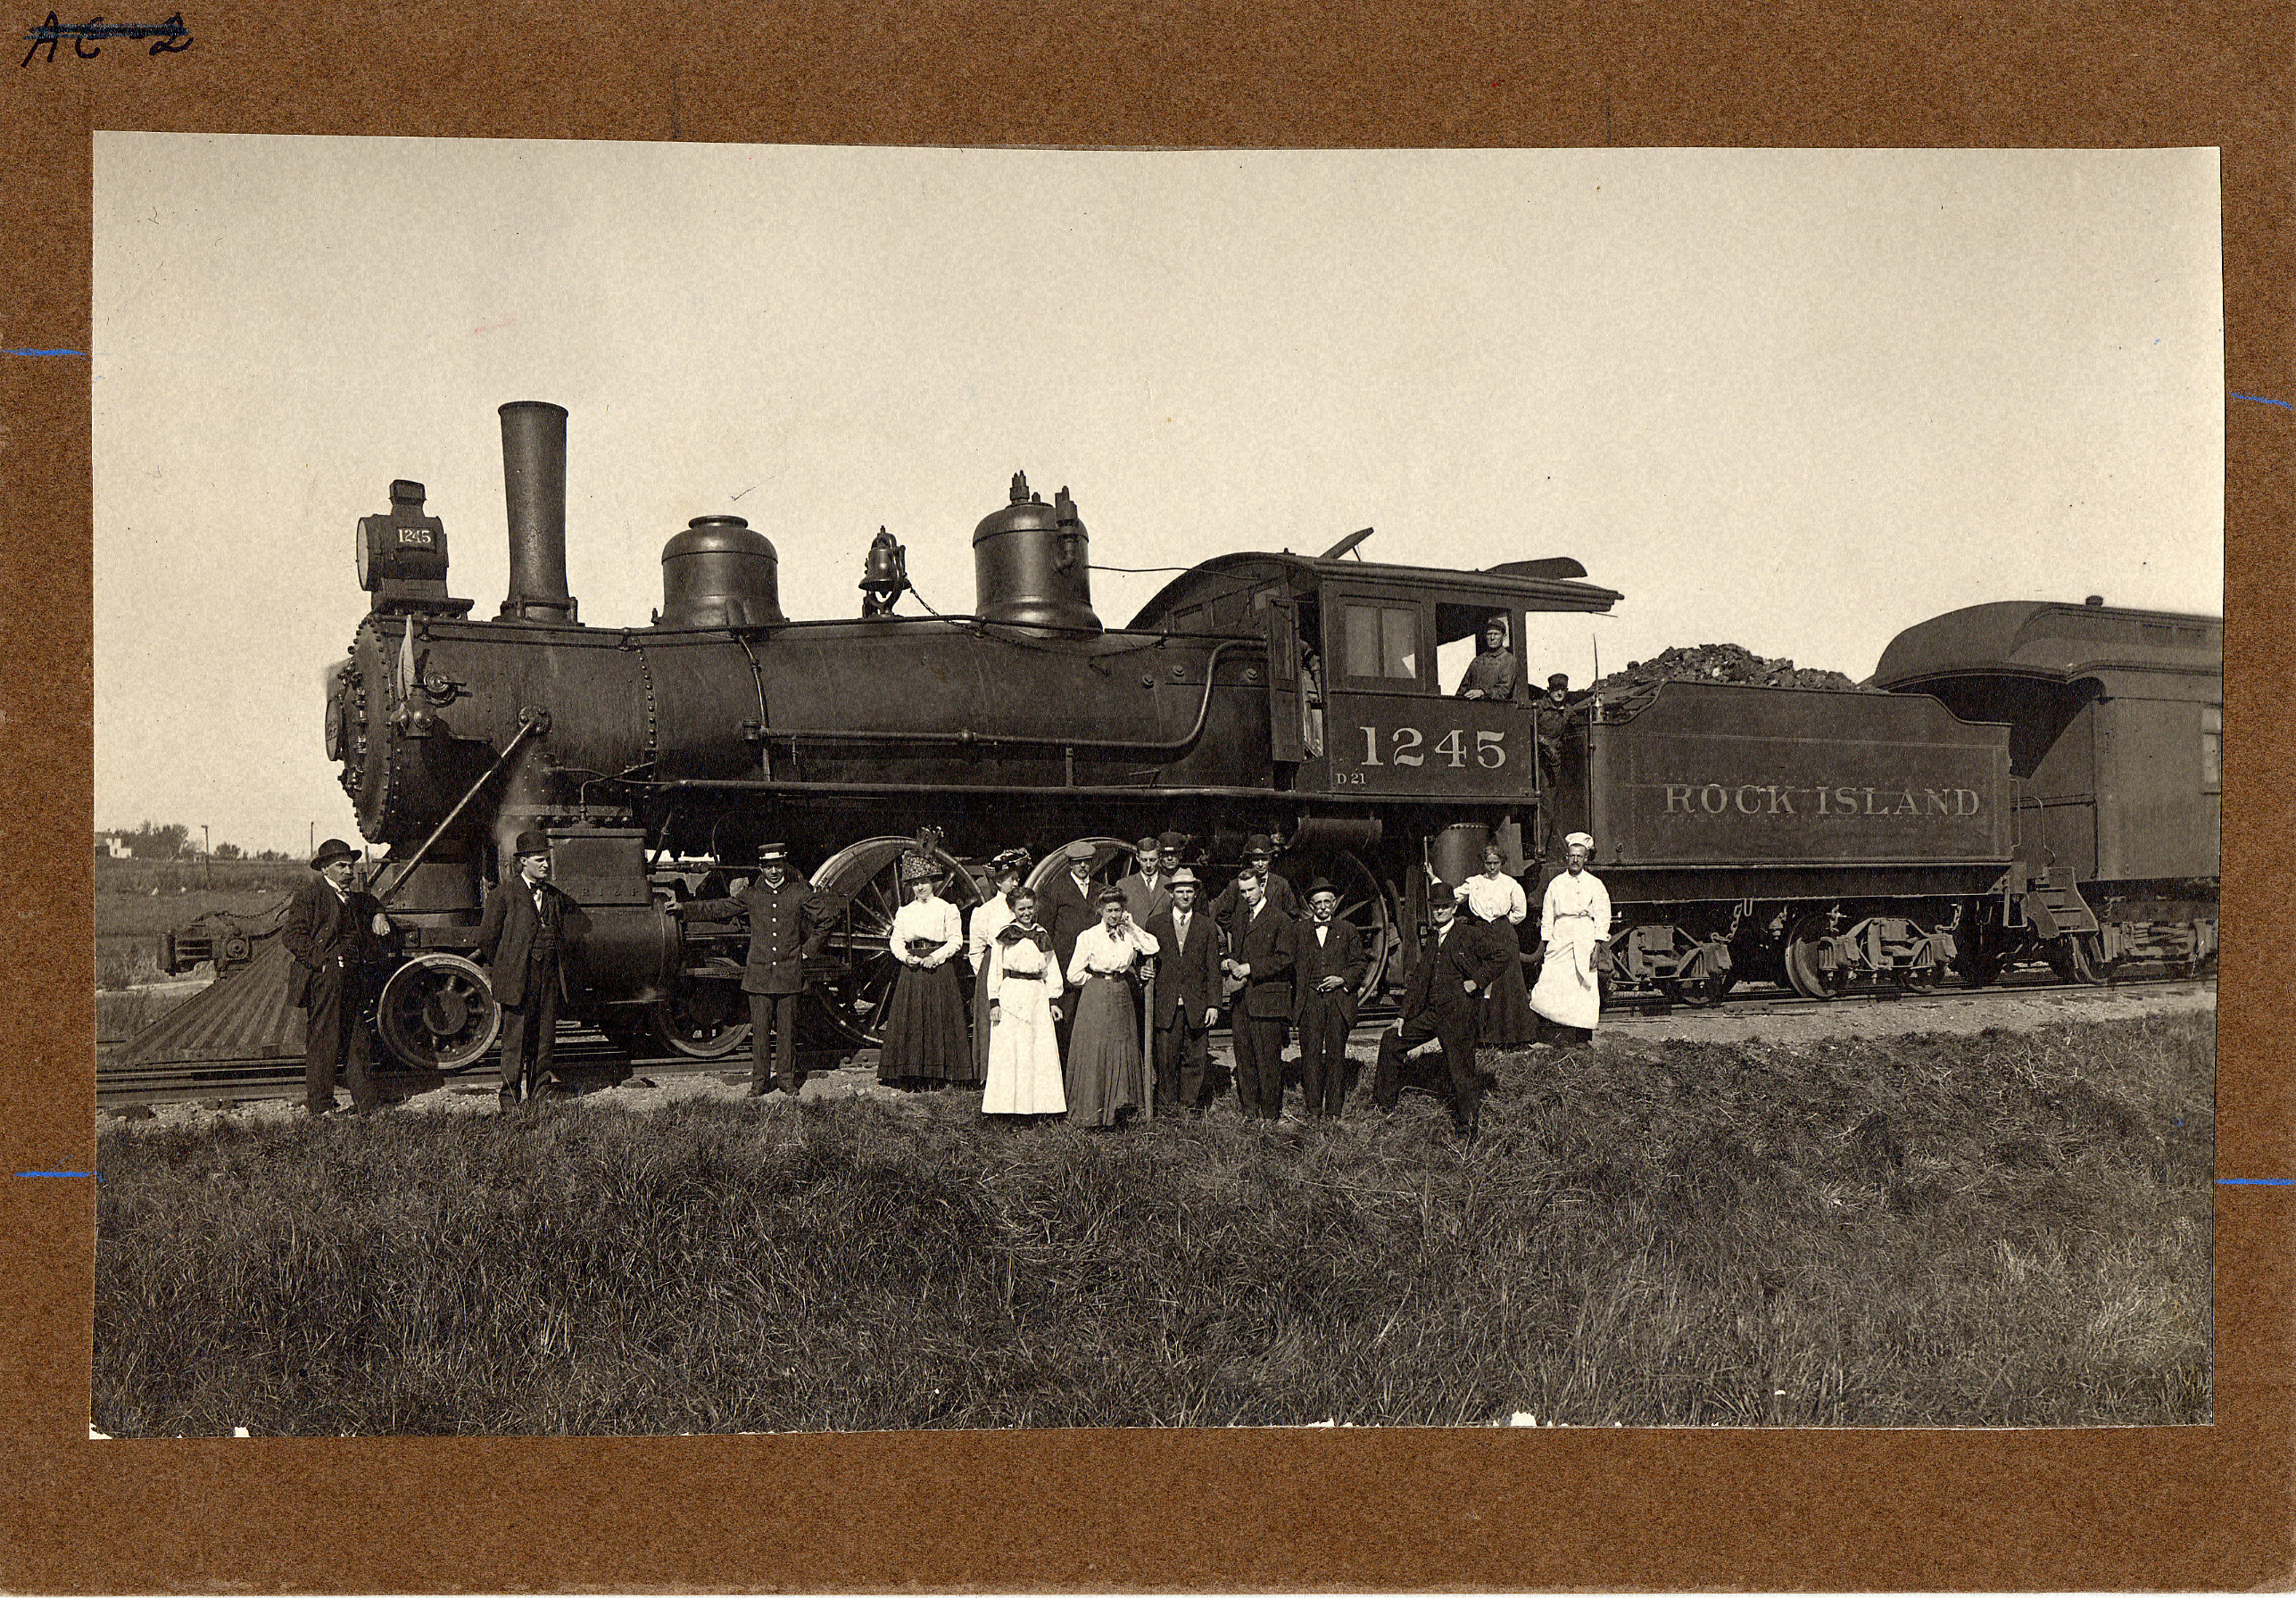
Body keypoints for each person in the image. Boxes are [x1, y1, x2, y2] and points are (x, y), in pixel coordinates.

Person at [682, 840, 833, 1098]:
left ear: (784, 865)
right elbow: (719, 907)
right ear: (760, 868)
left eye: (778, 866)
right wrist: (684, 909)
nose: (774, 871)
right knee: (760, 1033)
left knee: (787, 1031)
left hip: (789, 973)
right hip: (759, 975)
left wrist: (809, 949)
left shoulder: (799, 892)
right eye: (768, 866)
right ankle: (759, 1083)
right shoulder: (751, 895)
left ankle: (786, 1080)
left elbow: (828, 917)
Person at [1372, 881, 1513, 1139]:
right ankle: (1384, 1110)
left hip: (1459, 1015)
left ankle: (1467, 1129)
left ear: (1453, 908)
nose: (1439, 911)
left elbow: (1502, 955)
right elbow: (1420, 981)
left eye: (1445, 907)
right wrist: (1402, 1016)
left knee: (1461, 1071)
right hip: (1433, 1014)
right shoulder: (1433, 938)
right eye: (1435, 907)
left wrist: (1477, 981)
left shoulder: (1468, 934)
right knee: (1392, 1040)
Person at [476, 830, 587, 1112]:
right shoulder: (503, 895)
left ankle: (541, 1092)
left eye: (547, 859)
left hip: (548, 975)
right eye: (540, 860)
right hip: (519, 978)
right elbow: (487, 939)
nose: (546, 865)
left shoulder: (554, 896)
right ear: (523, 861)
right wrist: (509, 964)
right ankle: (510, 1099)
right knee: (515, 1041)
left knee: (544, 1037)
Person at [282, 837, 391, 1117]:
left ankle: (367, 1104)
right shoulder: (310, 895)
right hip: (325, 980)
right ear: (325, 869)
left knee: (358, 1038)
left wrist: (379, 914)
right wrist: (322, 963)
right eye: (341, 866)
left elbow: (371, 902)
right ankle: (320, 1107)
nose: (348, 871)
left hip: (352, 978)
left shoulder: (353, 898)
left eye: (350, 866)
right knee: (323, 1039)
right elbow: (291, 935)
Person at [1064, 885, 1159, 1128]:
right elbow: (1073, 973)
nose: (1114, 915)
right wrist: (1094, 982)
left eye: (1118, 910)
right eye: (1109, 910)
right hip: (1096, 994)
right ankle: (1093, 1114)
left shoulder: (1127, 934)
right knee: (1097, 1048)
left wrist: (1132, 926)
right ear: (1100, 911)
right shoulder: (1088, 936)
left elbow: (1152, 947)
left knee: (1122, 1043)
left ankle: (1120, 1110)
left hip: (1122, 992)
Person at [878, 853, 971, 1088]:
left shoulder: (947, 909)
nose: (920, 888)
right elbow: (896, 941)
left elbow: (956, 941)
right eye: (915, 883)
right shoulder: (905, 911)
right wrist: (906, 957)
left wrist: (934, 957)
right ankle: (911, 1074)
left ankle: (939, 1074)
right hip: (912, 969)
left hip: (938, 968)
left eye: (924, 882)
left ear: (933, 883)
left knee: (939, 1018)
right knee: (911, 1019)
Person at [980, 886, 1066, 1119]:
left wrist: (1054, 1000)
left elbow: (1051, 968)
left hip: (1037, 994)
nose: (1026, 913)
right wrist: (994, 1002)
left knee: (1038, 1048)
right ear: (1012, 909)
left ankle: (1040, 1107)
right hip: (1012, 993)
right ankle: (1007, 1108)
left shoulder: (1041, 934)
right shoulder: (1005, 934)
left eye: (1030, 908)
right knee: (1012, 1049)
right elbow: (995, 969)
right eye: (1021, 909)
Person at [1142, 865, 1222, 1114]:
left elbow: (1213, 968)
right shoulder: (1155, 924)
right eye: (1180, 891)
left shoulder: (1207, 926)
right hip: (1166, 1004)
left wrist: (1213, 1004)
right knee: (1166, 1060)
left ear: (1195, 894)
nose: (1185, 896)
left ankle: (1188, 1108)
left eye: (1189, 891)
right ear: (1171, 894)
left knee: (1195, 1058)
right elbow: (1143, 960)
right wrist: (1142, 972)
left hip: (1196, 1004)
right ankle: (1168, 1110)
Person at [1222, 871, 1297, 1121]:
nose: (1247, 896)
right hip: (1242, 1001)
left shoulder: (1280, 919)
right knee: (1245, 1059)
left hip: (1268, 1002)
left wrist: (1251, 968)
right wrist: (1230, 962)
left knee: (1268, 1062)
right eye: (1242, 891)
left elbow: (1285, 958)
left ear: (1262, 886)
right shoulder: (1240, 918)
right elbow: (1238, 951)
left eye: (1251, 890)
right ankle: (1250, 1113)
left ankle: (1271, 1115)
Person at [1291, 879, 1366, 1120]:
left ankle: (1334, 1111)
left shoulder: (1348, 929)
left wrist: (1342, 979)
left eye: (1327, 902)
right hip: (1310, 1002)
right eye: (1318, 903)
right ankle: (1313, 1110)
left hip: (1337, 1002)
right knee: (1310, 1057)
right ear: (1311, 906)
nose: (1323, 907)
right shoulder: (1299, 931)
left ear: (1334, 903)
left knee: (1336, 1057)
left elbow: (1360, 964)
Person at [1530, 832, 1612, 1049]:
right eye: (1572, 856)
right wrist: (1546, 943)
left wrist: (1597, 946)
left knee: (1583, 985)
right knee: (1551, 982)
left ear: (1585, 858)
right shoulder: (1556, 884)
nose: (1575, 860)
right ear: (1566, 857)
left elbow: (1603, 915)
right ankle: (1547, 1035)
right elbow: (1548, 915)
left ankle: (1581, 1039)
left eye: (1579, 856)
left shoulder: (1595, 884)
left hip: (1585, 936)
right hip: (1561, 936)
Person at [966, 848, 1034, 1081]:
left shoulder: (1025, 909)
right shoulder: (985, 911)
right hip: (992, 969)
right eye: (1010, 879)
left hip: (1019, 969)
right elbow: (976, 951)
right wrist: (987, 977)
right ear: (997, 882)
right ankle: (992, 1077)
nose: (1016, 883)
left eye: (1017, 879)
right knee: (994, 1022)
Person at [1461, 842, 1538, 1047]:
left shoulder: (1510, 884)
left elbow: (1520, 912)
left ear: (1501, 862)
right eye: (1489, 863)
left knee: (1508, 982)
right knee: (1483, 980)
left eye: (1496, 863)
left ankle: (1513, 1037)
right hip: (1480, 933)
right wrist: (1434, 880)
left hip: (1503, 933)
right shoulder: (1474, 883)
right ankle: (1485, 1037)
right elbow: (1453, 896)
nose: (1492, 867)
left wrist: (1502, 924)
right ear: (1483, 863)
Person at [1036, 840, 1103, 1055]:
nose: (1082, 866)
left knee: (1093, 1023)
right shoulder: (1055, 890)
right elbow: (1045, 930)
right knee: (1067, 1025)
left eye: (1086, 861)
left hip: (1093, 967)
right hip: (1065, 967)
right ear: (1070, 864)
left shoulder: (1100, 890)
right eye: (1077, 862)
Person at [1208, 833, 1299, 930]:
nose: (1260, 864)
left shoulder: (1281, 884)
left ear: (1270, 858)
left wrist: (1276, 931)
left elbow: (1293, 916)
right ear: (1250, 859)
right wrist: (1240, 931)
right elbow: (1221, 914)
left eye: (1264, 859)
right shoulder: (1236, 885)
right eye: (1256, 859)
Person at [1534, 673, 1575, 858]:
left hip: (1555, 760)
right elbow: (1529, 728)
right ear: (1549, 690)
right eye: (1556, 689)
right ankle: (1540, 847)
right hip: (1540, 758)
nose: (1559, 693)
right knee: (1544, 805)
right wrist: (1544, 743)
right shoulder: (1539, 707)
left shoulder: (1567, 710)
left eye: (1563, 690)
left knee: (1552, 804)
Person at [1115, 836, 1173, 926]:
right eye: (1144, 860)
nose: (1148, 865)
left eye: (1152, 860)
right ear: (1137, 858)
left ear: (1160, 857)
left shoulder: (1170, 883)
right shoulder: (1123, 885)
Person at [1456, 617, 1518, 701]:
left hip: (1496, 707)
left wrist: (1483, 692)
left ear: (1504, 637)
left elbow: (1503, 691)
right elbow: (1462, 690)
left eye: (1496, 634)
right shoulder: (1477, 661)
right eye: (1489, 634)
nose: (1492, 638)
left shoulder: (1509, 660)